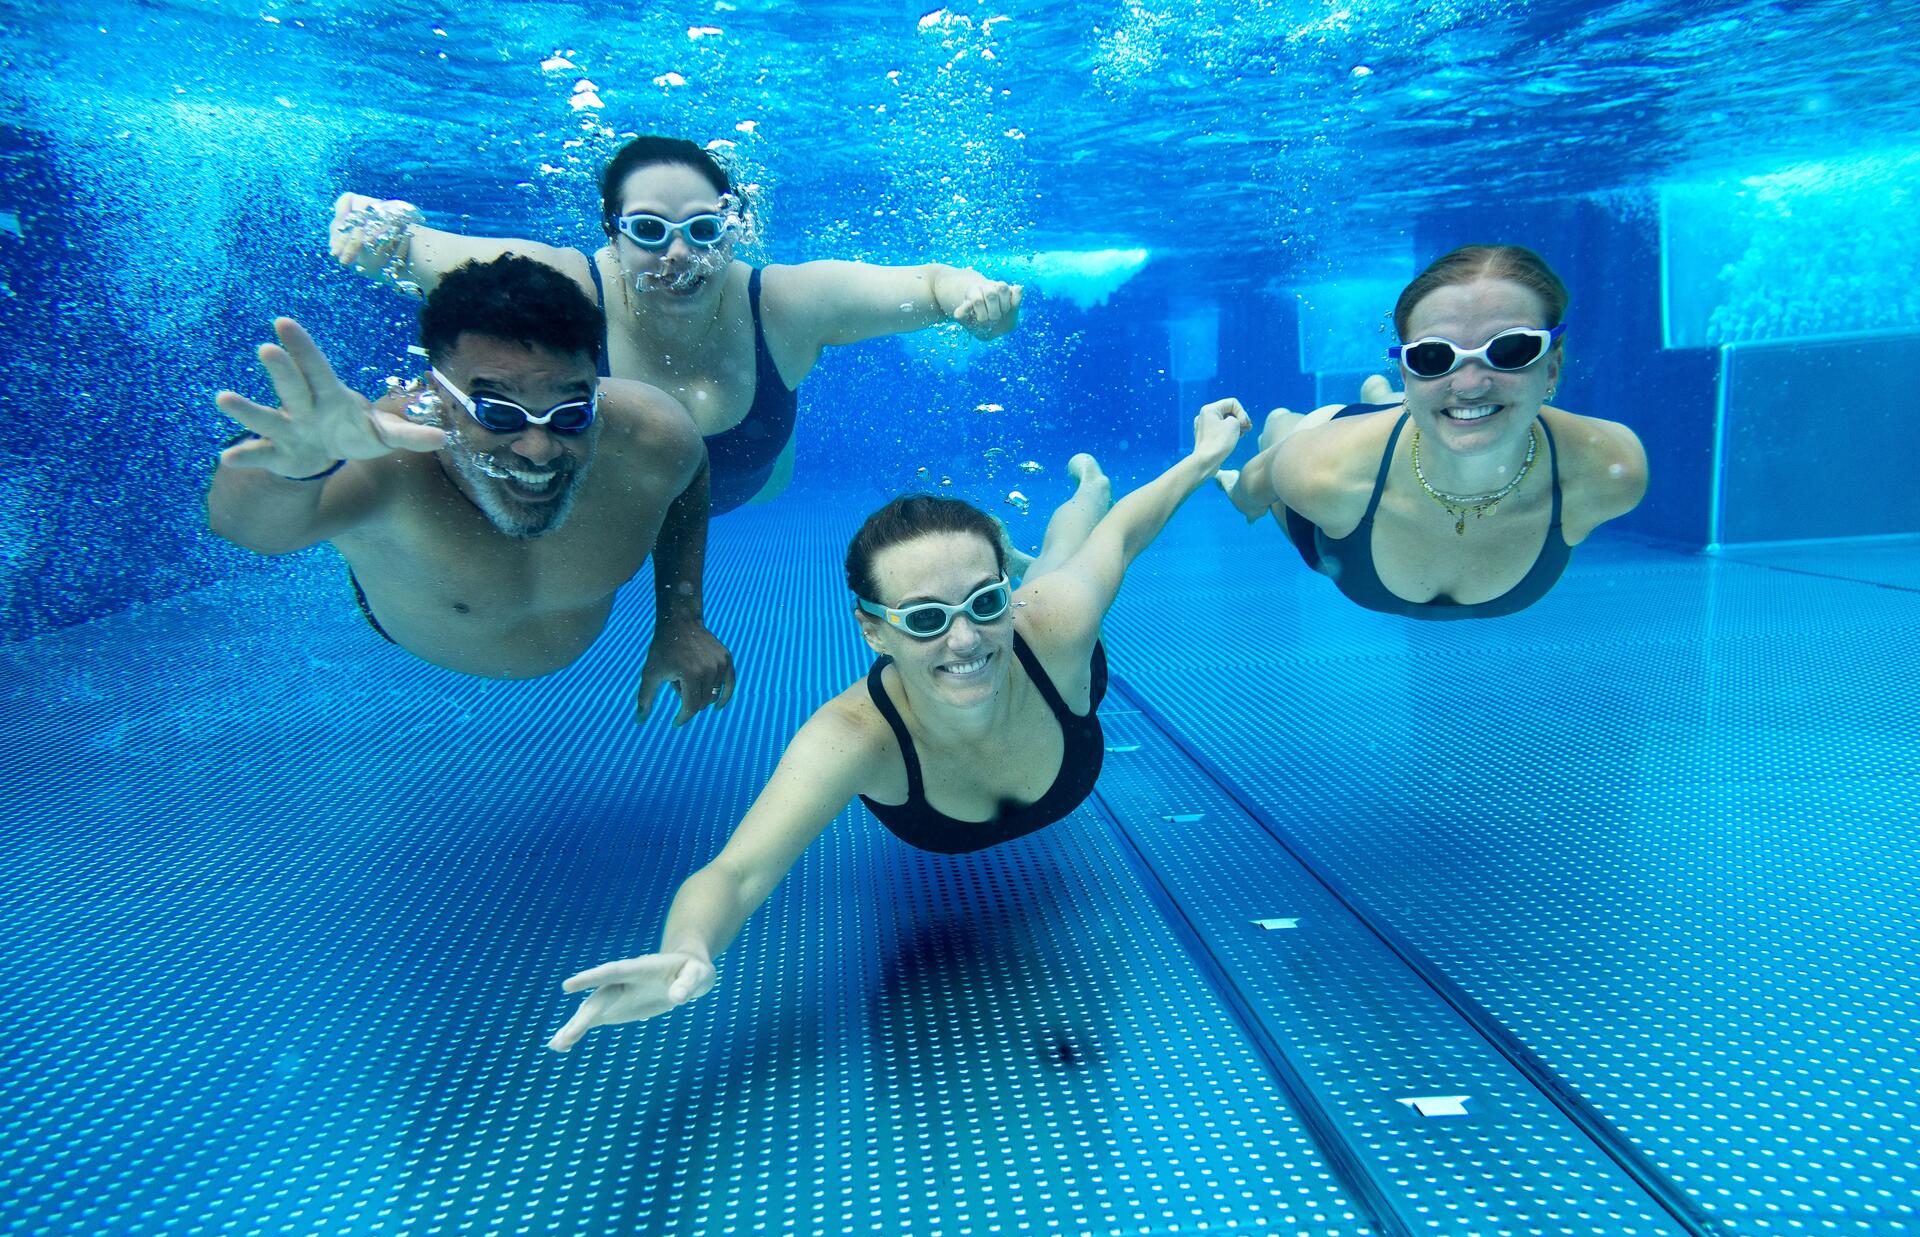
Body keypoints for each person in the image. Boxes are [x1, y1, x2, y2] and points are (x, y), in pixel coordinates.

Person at [545, 399, 1254, 1051]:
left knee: (1072, 556)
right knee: (1059, 568)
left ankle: (1084, 489)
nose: (965, 640)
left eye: (982, 602)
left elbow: (1125, 535)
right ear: (873, 632)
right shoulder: (854, 735)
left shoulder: (1054, 624)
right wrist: (689, 947)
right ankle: (1043, 530)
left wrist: (1200, 458)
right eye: (923, 618)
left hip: (1045, 636)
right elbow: (737, 872)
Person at [329, 135, 1024, 515]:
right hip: (617, 504)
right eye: (650, 231)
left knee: (770, 465)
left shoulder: (784, 302)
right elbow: (412, 247)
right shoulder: (568, 283)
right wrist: (372, 229)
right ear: (612, 236)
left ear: (733, 228)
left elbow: (931, 284)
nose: (679, 255)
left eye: (702, 228)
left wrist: (977, 297)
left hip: (751, 482)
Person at [207, 255, 734, 722]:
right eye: (498, 413)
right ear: (438, 396)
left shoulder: (649, 433)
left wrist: (681, 619)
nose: (539, 448)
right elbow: (245, 527)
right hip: (407, 636)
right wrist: (300, 468)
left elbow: (690, 478)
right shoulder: (388, 465)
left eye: (569, 414)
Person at [1220, 244, 1647, 619]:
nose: (1471, 383)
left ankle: (1381, 393)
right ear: (1408, 372)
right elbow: (1256, 484)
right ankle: (1373, 398)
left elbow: (1459, 403)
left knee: (1446, 409)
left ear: (1552, 364)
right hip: (1348, 439)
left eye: (1510, 350)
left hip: (1414, 419)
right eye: (1432, 357)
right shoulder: (1324, 471)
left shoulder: (1610, 470)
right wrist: (1239, 494)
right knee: (1282, 425)